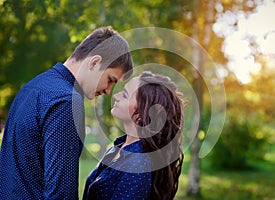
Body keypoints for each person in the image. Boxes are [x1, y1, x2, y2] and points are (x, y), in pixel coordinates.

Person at [0, 27, 133, 199]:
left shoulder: (34, 86)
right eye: (110, 80)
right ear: (94, 62)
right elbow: (61, 193)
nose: (108, 91)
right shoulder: (67, 102)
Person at [83, 71, 184, 200]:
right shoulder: (120, 146)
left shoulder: (138, 163)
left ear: (142, 114)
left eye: (125, 95)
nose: (116, 96)